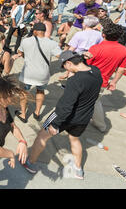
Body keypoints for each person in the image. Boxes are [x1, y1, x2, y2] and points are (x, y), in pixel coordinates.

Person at [22, 51, 103, 179]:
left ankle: (30, 163)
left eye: (64, 66)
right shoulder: (96, 71)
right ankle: (78, 170)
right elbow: (84, 69)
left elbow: (66, 105)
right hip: (84, 117)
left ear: (69, 63)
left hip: (64, 117)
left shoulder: (75, 81)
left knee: (42, 137)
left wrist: (55, 124)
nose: (65, 69)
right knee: (75, 140)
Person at [13, 23, 62, 123]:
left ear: (35, 31)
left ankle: (23, 113)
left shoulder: (26, 41)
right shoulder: (52, 43)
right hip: (43, 73)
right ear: (44, 31)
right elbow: (60, 56)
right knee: (40, 91)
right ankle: (37, 112)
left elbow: (20, 52)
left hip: (28, 73)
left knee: (24, 92)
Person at [87, 23, 126, 133]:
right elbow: (121, 68)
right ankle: (99, 124)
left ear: (103, 34)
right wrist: (114, 82)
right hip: (103, 81)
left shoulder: (96, 48)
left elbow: (85, 64)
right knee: (95, 102)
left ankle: (99, 124)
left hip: (87, 78)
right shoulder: (124, 50)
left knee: (88, 101)